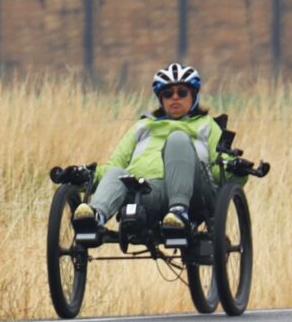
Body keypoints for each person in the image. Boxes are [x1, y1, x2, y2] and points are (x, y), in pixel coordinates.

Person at [69, 63, 223, 239]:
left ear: (193, 95)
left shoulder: (206, 124)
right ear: (161, 99)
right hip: (148, 192)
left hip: (194, 193)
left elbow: (221, 167)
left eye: (182, 92)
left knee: (177, 139)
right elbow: (114, 165)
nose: (175, 97)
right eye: (168, 93)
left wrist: (236, 169)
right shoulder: (143, 126)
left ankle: (179, 212)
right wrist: (87, 176)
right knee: (118, 173)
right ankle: (95, 217)